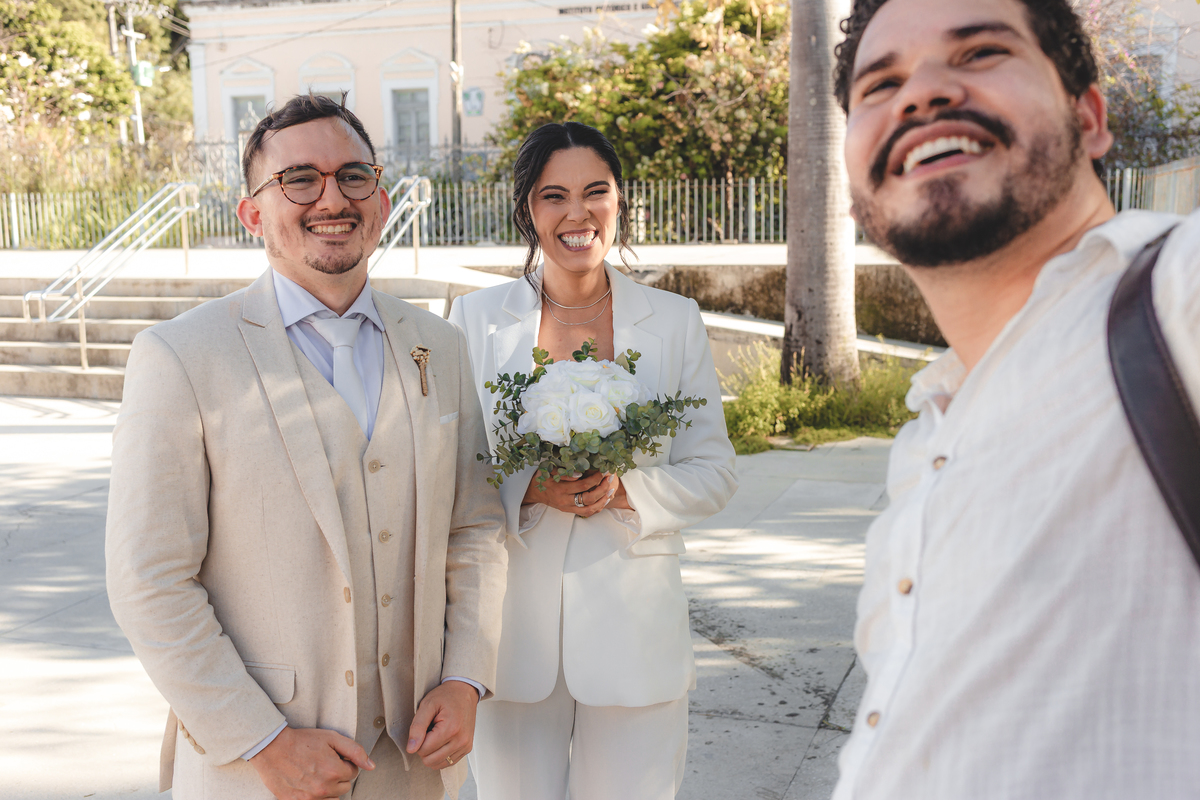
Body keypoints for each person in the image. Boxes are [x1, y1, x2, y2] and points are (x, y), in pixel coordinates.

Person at [830, 0, 1200, 797]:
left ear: (1088, 118)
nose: (921, 92)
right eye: (881, 84)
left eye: (979, 53)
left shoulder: (1180, 297)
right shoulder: (926, 439)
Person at [105, 94, 508, 800]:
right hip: (258, 769)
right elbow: (149, 580)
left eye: (353, 175)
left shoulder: (438, 346)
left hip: (413, 760)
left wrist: (466, 676)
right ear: (252, 214)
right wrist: (262, 740)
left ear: (381, 201)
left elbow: (474, 527)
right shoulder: (181, 355)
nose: (332, 198)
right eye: (299, 179)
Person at [447, 122, 738, 800]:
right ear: (528, 210)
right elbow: (451, 469)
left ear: (620, 199)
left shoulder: (674, 320)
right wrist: (528, 488)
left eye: (595, 191)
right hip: (509, 641)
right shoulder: (475, 320)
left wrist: (626, 489)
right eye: (554, 196)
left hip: (637, 638)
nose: (577, 214)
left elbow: (714, 472)